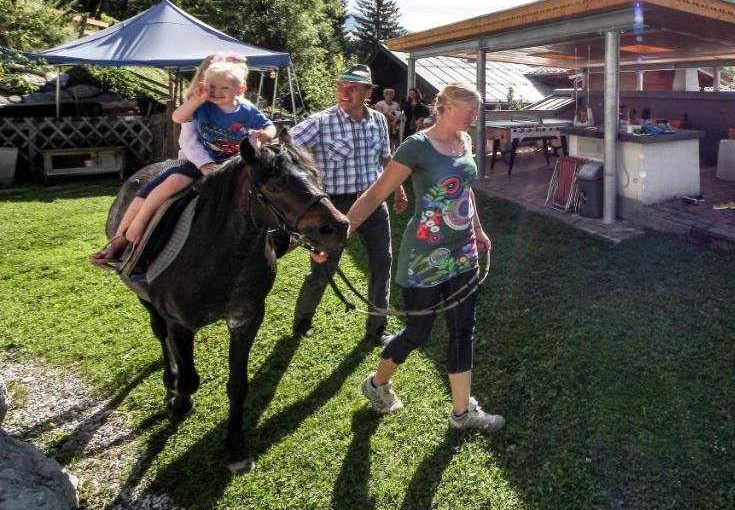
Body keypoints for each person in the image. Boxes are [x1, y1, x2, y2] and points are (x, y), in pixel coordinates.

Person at [340, 82, 504, 431]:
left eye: (475, 112)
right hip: (425, 257)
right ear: (445, 107)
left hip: (463, 254)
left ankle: (461, 414)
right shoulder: (417, 146)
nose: (474, 118)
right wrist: (343, 231)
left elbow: (465, 190)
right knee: (417, 332)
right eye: (469, 110)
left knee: (463, 330)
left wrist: (476, 227)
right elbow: (376, 193)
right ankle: (377, 383)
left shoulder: (465, 142)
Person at [92, 53, 275, 264]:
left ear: (239, 87)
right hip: (195, 159)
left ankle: (276, 236)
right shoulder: (199, 106)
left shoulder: (245, 108)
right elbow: (187, 139)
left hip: (233, 162)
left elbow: (266, 127)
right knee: (167, 184)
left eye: (224, 87)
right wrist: (206, 165)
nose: (217, 92)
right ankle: (125, 237)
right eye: (211, 86)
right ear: (203, 83)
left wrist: (266, 135)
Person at [291, 64, 408, 345]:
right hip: (333, 207)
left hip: (373, 200)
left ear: (368, 92)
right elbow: (285, 148)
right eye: (341, 85)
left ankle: (377, 328)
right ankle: (302, 320)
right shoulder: (321, 122)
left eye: (353, 87)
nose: (344, 91)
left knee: (383, 262)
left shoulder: (378, 121)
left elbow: (385, 159)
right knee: (324, 268)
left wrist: (399, 189)